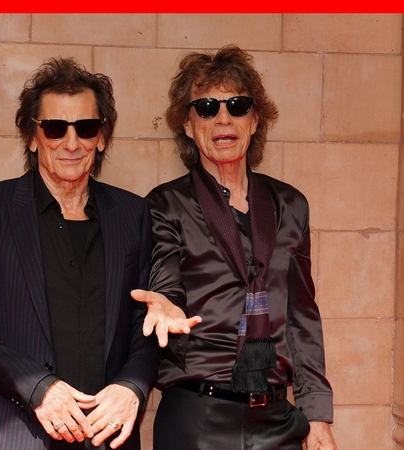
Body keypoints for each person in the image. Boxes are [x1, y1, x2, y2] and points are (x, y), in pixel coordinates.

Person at [0, 57, 198, 450]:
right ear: (32, 136)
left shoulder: (133, 214)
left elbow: (144, 324)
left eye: (86, 127)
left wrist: (132, 388)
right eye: (56, 128)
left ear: (102, 136)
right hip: (15, 433)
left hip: (107, 435)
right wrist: (37, 388)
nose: (71, 142)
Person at [137, 44, 337, 450]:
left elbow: (302, 316)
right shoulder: (164, 204)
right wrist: (165, 304)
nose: (223, 117)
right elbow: (165, 278)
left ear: (255, 118)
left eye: (237, 104)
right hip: (198, 418)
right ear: (189, 126)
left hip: (279, 419)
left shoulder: (291, 205)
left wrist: (316, 416)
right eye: (207, 106)